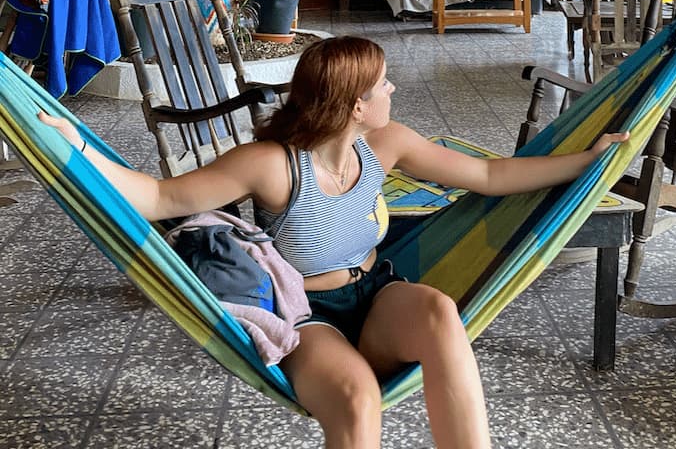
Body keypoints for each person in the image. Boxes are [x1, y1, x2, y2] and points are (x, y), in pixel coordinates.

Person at [39, 35, 628, 449]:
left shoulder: (386, 144)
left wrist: (586, 163)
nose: (393, 88)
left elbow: (492, 177)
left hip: (375, 294)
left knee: (440, 312)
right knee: (357, 399)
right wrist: (78, 146)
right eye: (382, 84)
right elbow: (161, 199)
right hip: (308, 316)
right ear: (354, 106)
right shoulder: (272, 164)